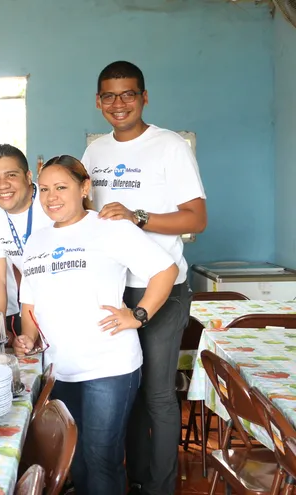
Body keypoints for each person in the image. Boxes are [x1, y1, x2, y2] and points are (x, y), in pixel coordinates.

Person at [13, 155, 177, 495]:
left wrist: (138, 314)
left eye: (61, 187)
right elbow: (30, 302)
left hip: (108, 367)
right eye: (44, 189)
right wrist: (27, 339)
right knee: (76, 459)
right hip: (61, 369)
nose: (51, 197)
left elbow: (165, 270)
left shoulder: (109, 226)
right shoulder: (36, 241)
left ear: (84, 187)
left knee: (101, 457)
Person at [81, 61, 207, 495]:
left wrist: (138, 216)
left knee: (156, 394)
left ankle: (160, 486)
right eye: (109, 96)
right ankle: (135, 480)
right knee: (127, 390)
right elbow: (80, 212)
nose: (119, 104)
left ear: (144, 97)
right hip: (114, 288)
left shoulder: (169, 146)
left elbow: (197, 218)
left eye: (128, 94)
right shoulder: (95, 152)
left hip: (163, 287)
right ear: (99, 102)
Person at [0, 144, 54, 335]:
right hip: (29, 303)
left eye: (11, 175)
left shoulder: (52, 202)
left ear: (28, 177)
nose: (3, 184)